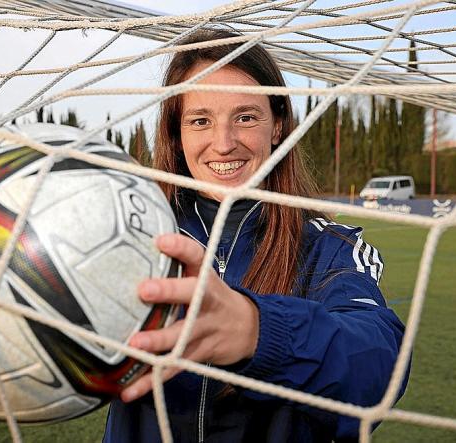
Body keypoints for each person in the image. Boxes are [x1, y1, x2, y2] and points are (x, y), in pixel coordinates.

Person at [103, 30, 408, 442]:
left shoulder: (330, 249)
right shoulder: (128, 238)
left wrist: (258, 331)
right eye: (200, 121)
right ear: (176, 134)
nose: (224, 144)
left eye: (246, 117)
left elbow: (378, 367)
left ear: (278, 126)